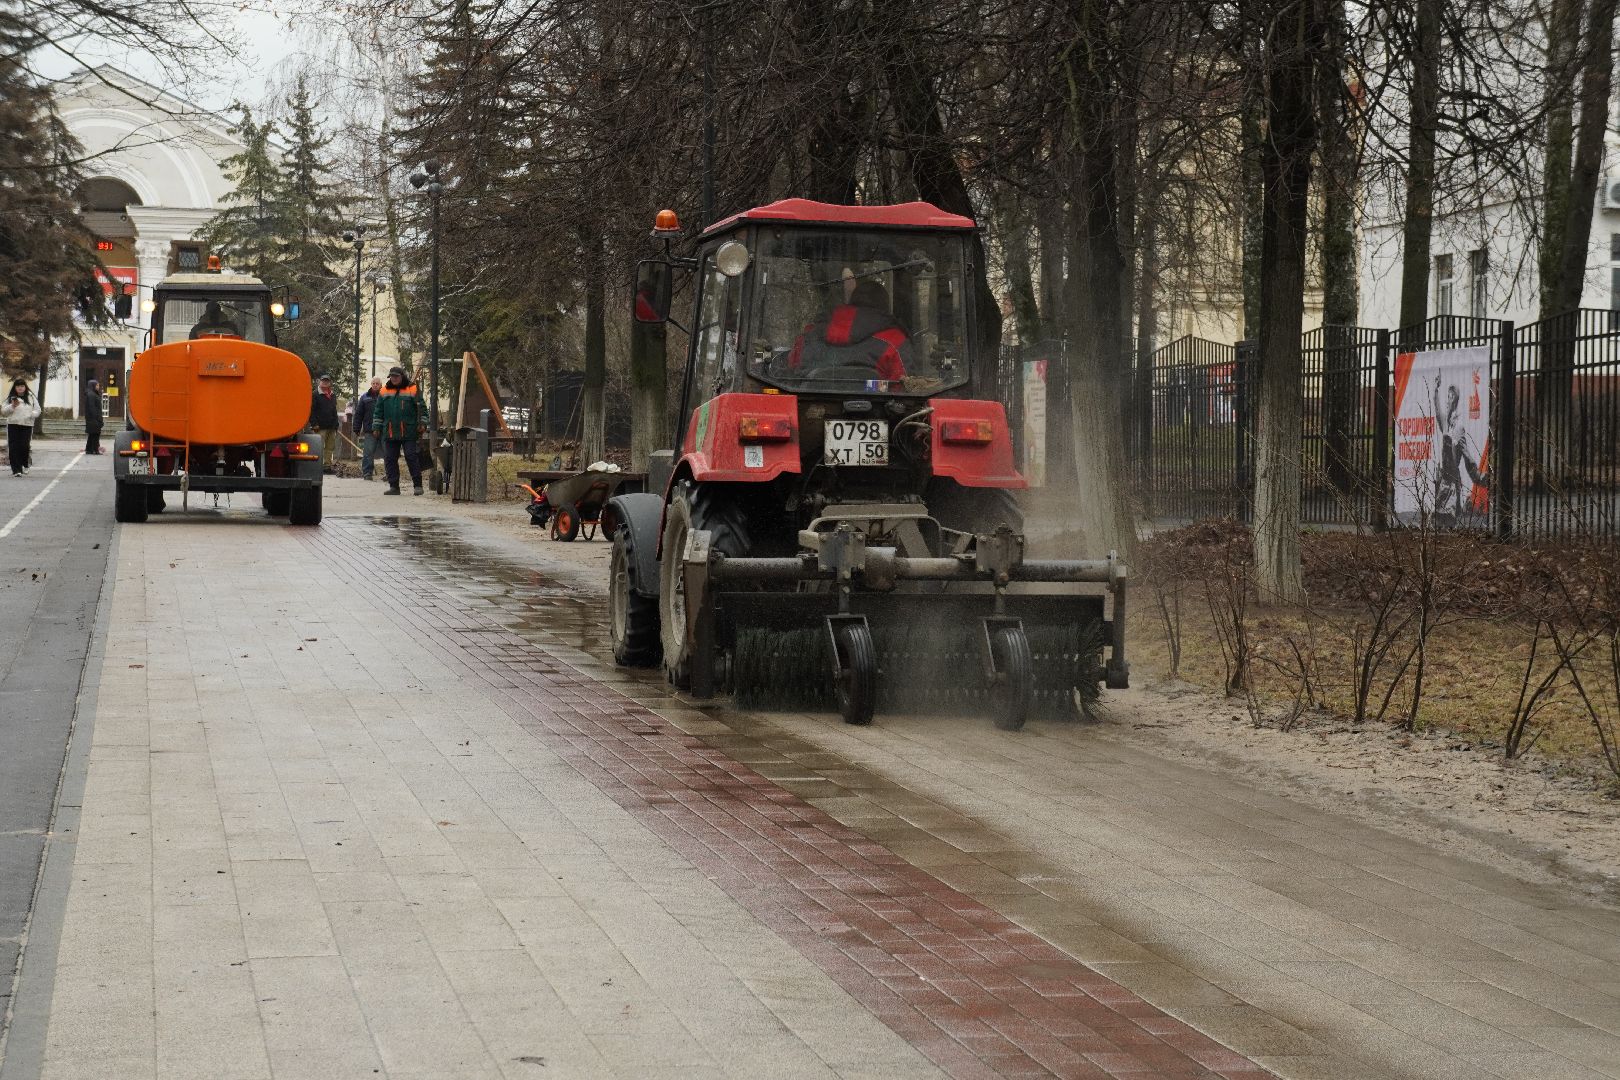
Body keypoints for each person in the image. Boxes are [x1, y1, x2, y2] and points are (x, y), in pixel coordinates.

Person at [786, 277, 915, 381]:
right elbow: (904, 384)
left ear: (851, 301)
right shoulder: (896, 340)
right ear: (885, 306)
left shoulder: (810, 334)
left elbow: (791, 372)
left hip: (809, 408)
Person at [372, 366, 428, 495]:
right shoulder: (384, 391)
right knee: (390, 458)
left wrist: (423, 423)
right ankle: (394, 487)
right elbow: (378, 412)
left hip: (409, 431)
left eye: (396, 376)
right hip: (390, 431)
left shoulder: (413, 388)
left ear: (402, 376)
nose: (394, 378)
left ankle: (418, 486)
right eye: (392, 376)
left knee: (411, 457)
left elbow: (423, 409)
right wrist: (376, 427)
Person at [3, 379, 41, 476]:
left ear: (25, 387)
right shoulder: (11, 398)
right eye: (18, 386)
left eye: (22, 386)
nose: (20, 388)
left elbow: (38, 410)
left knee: (24, 446)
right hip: (13, 424)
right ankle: (16, 470)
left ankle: (25, 464)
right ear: (15, 388)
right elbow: (4, 412)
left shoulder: (31, 397)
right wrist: (12, 406)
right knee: (13, 447)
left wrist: (31, 414)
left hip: (27, 424)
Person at [309, 374, 340, 473]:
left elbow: (334, 410)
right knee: (319, 447)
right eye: (323, 381)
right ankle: (316, 467)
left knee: (330, 448)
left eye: (327, 381)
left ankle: (327, 466)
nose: (325, 382)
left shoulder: (332, 395)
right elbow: (311, 411)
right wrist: (314, 424)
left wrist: (336, 425)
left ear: (330, 383)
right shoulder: (315, 394)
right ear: (320, 382)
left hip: (331, 427)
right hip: (320, 427)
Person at [353, 377, 382, 480]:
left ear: (380, 385)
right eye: (373, 383)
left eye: (377, 383)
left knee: (389, 453)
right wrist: (356, 428)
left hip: (384, 430)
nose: (375, 385)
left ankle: (390, 474)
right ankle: (367, 473)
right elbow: (359, 414)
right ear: (371, 384)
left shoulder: (385, 396)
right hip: (369, 430)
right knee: (368, 453)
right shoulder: (365, 397)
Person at [82, 378, 104, 455]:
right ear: (93, 386)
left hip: (93, 418)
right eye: (97, 385)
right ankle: (95, 450)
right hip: (93, 419)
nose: (98, 386)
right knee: (95, 434)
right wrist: (98, 419)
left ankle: (89, 449)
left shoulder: (93, 394)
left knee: (92, 434)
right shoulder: (91, 394)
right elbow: (92, 408)